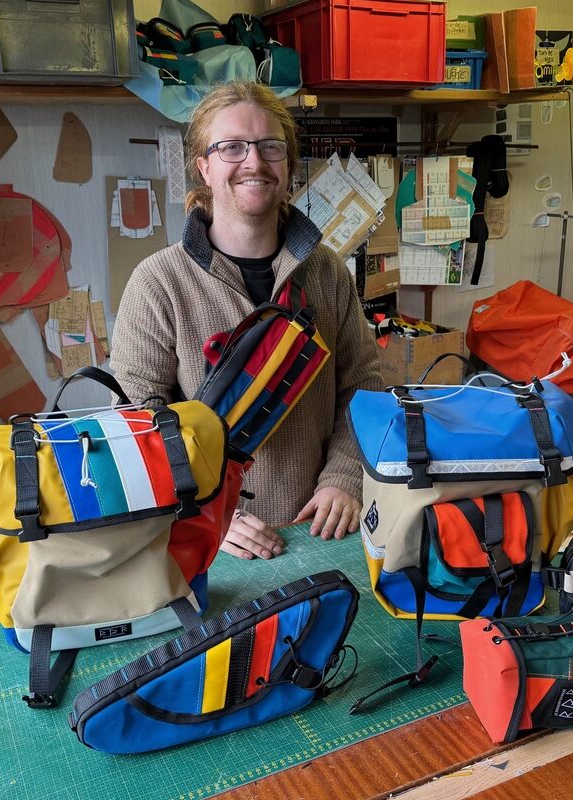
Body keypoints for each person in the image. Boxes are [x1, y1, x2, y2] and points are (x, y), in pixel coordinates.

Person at [110, 81, 382, 560]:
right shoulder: (158, 282)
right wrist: (210, 512)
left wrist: (343, 477)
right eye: (231, 147)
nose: (253, 162)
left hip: (321, 528)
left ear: (288, 165)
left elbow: (364, 385)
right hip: (211, 542)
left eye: (269, 147)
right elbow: (138, 421)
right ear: (204, 167)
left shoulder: (328, 273)